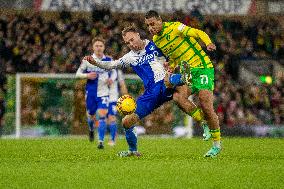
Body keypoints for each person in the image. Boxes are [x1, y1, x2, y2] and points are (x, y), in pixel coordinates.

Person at [84, 24, 210, 157]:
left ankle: (187, 82)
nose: (131, 44)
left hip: (165, 84)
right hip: (151, 94)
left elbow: (173, 54)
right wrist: (96, 62)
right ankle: (133, 151)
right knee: (126, 122)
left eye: (132, 40)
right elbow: (112, 64)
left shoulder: (155, 44)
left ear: (138, 35)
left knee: (172, 86)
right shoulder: (129, 57)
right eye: (127, 43)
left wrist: (173, 64)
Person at [144, 10, 221, 157]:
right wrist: (171, 65)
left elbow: (198, 33)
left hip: (202, 67)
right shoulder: (157, 40)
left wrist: (208, 42)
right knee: (178, 97)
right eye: (148, 25)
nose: (151, 28)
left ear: (160, 20)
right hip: (188, 72)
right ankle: (203, 123)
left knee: (206, 105)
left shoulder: (175, 27)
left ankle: (216, 145)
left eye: (153, 23)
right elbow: (173, 57)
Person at [76, 37, 111, 149]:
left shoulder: (109, 60)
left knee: (102, 115)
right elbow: (78, 74)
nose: (99, 48)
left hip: (104, 93)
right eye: (96, 46)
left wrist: (111, 79)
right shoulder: (87, 60)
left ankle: (100, 141)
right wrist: (87, 75)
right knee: (91, 115)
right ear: (93, 47)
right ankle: (91, 129)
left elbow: (114, 73)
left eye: (101, 46)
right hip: (91, 92)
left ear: (104, 47)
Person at [106, 69, 128, 146]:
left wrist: (126, 98)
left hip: (113, 98)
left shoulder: (117, 71)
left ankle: (112, 139)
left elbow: (122, 85)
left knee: (112, 117)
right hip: (101, 98)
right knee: (106, 119)